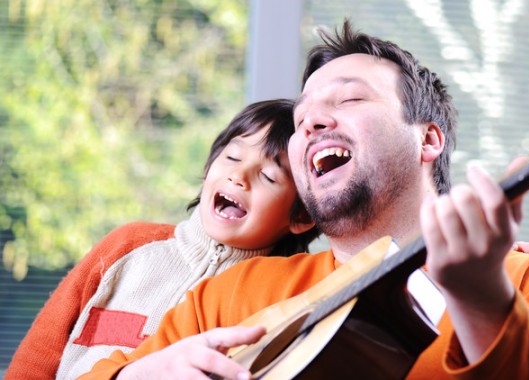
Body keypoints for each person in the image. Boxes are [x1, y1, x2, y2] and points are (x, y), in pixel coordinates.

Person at [82, 21, 529, 379]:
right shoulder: (231, 297)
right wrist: (138, 373)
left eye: (351, 98)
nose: (311, 120)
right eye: (300, 119)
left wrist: (483, 300)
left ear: (428, 139)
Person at [5, 99, 319, 380]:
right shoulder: (128, 245)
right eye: (233, 157)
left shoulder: (278, 299)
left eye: (268, 177)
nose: (239, 176)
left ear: (302, 217)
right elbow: (37, 357)